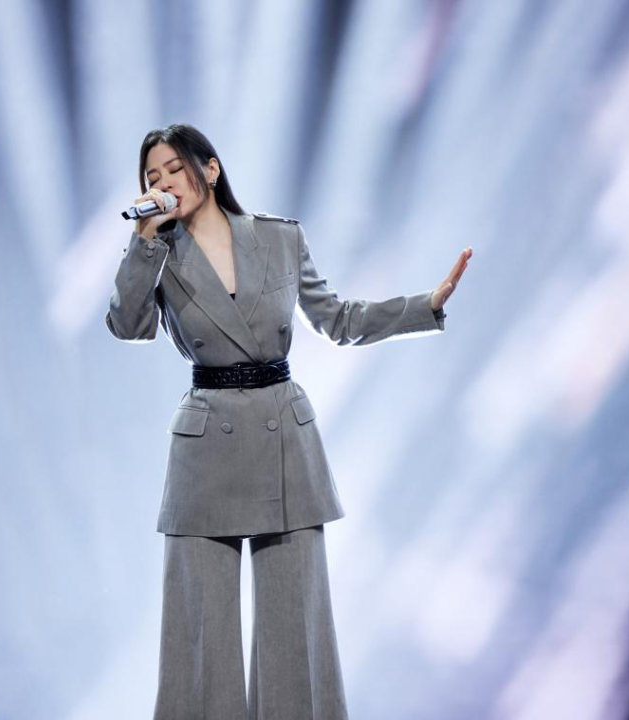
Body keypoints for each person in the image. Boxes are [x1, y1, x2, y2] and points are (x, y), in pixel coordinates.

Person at [106, 123, 471, 719]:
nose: (164, 183)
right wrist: (143, 238)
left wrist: (423, 307)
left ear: (210, 169)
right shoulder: (157, 254)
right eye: (152, 176)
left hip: (283, 439)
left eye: (174, 169)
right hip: (205, 447)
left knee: (294, 634)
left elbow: (338, 319)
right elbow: (128, 325)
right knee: (200, 637)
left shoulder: (279, 238)